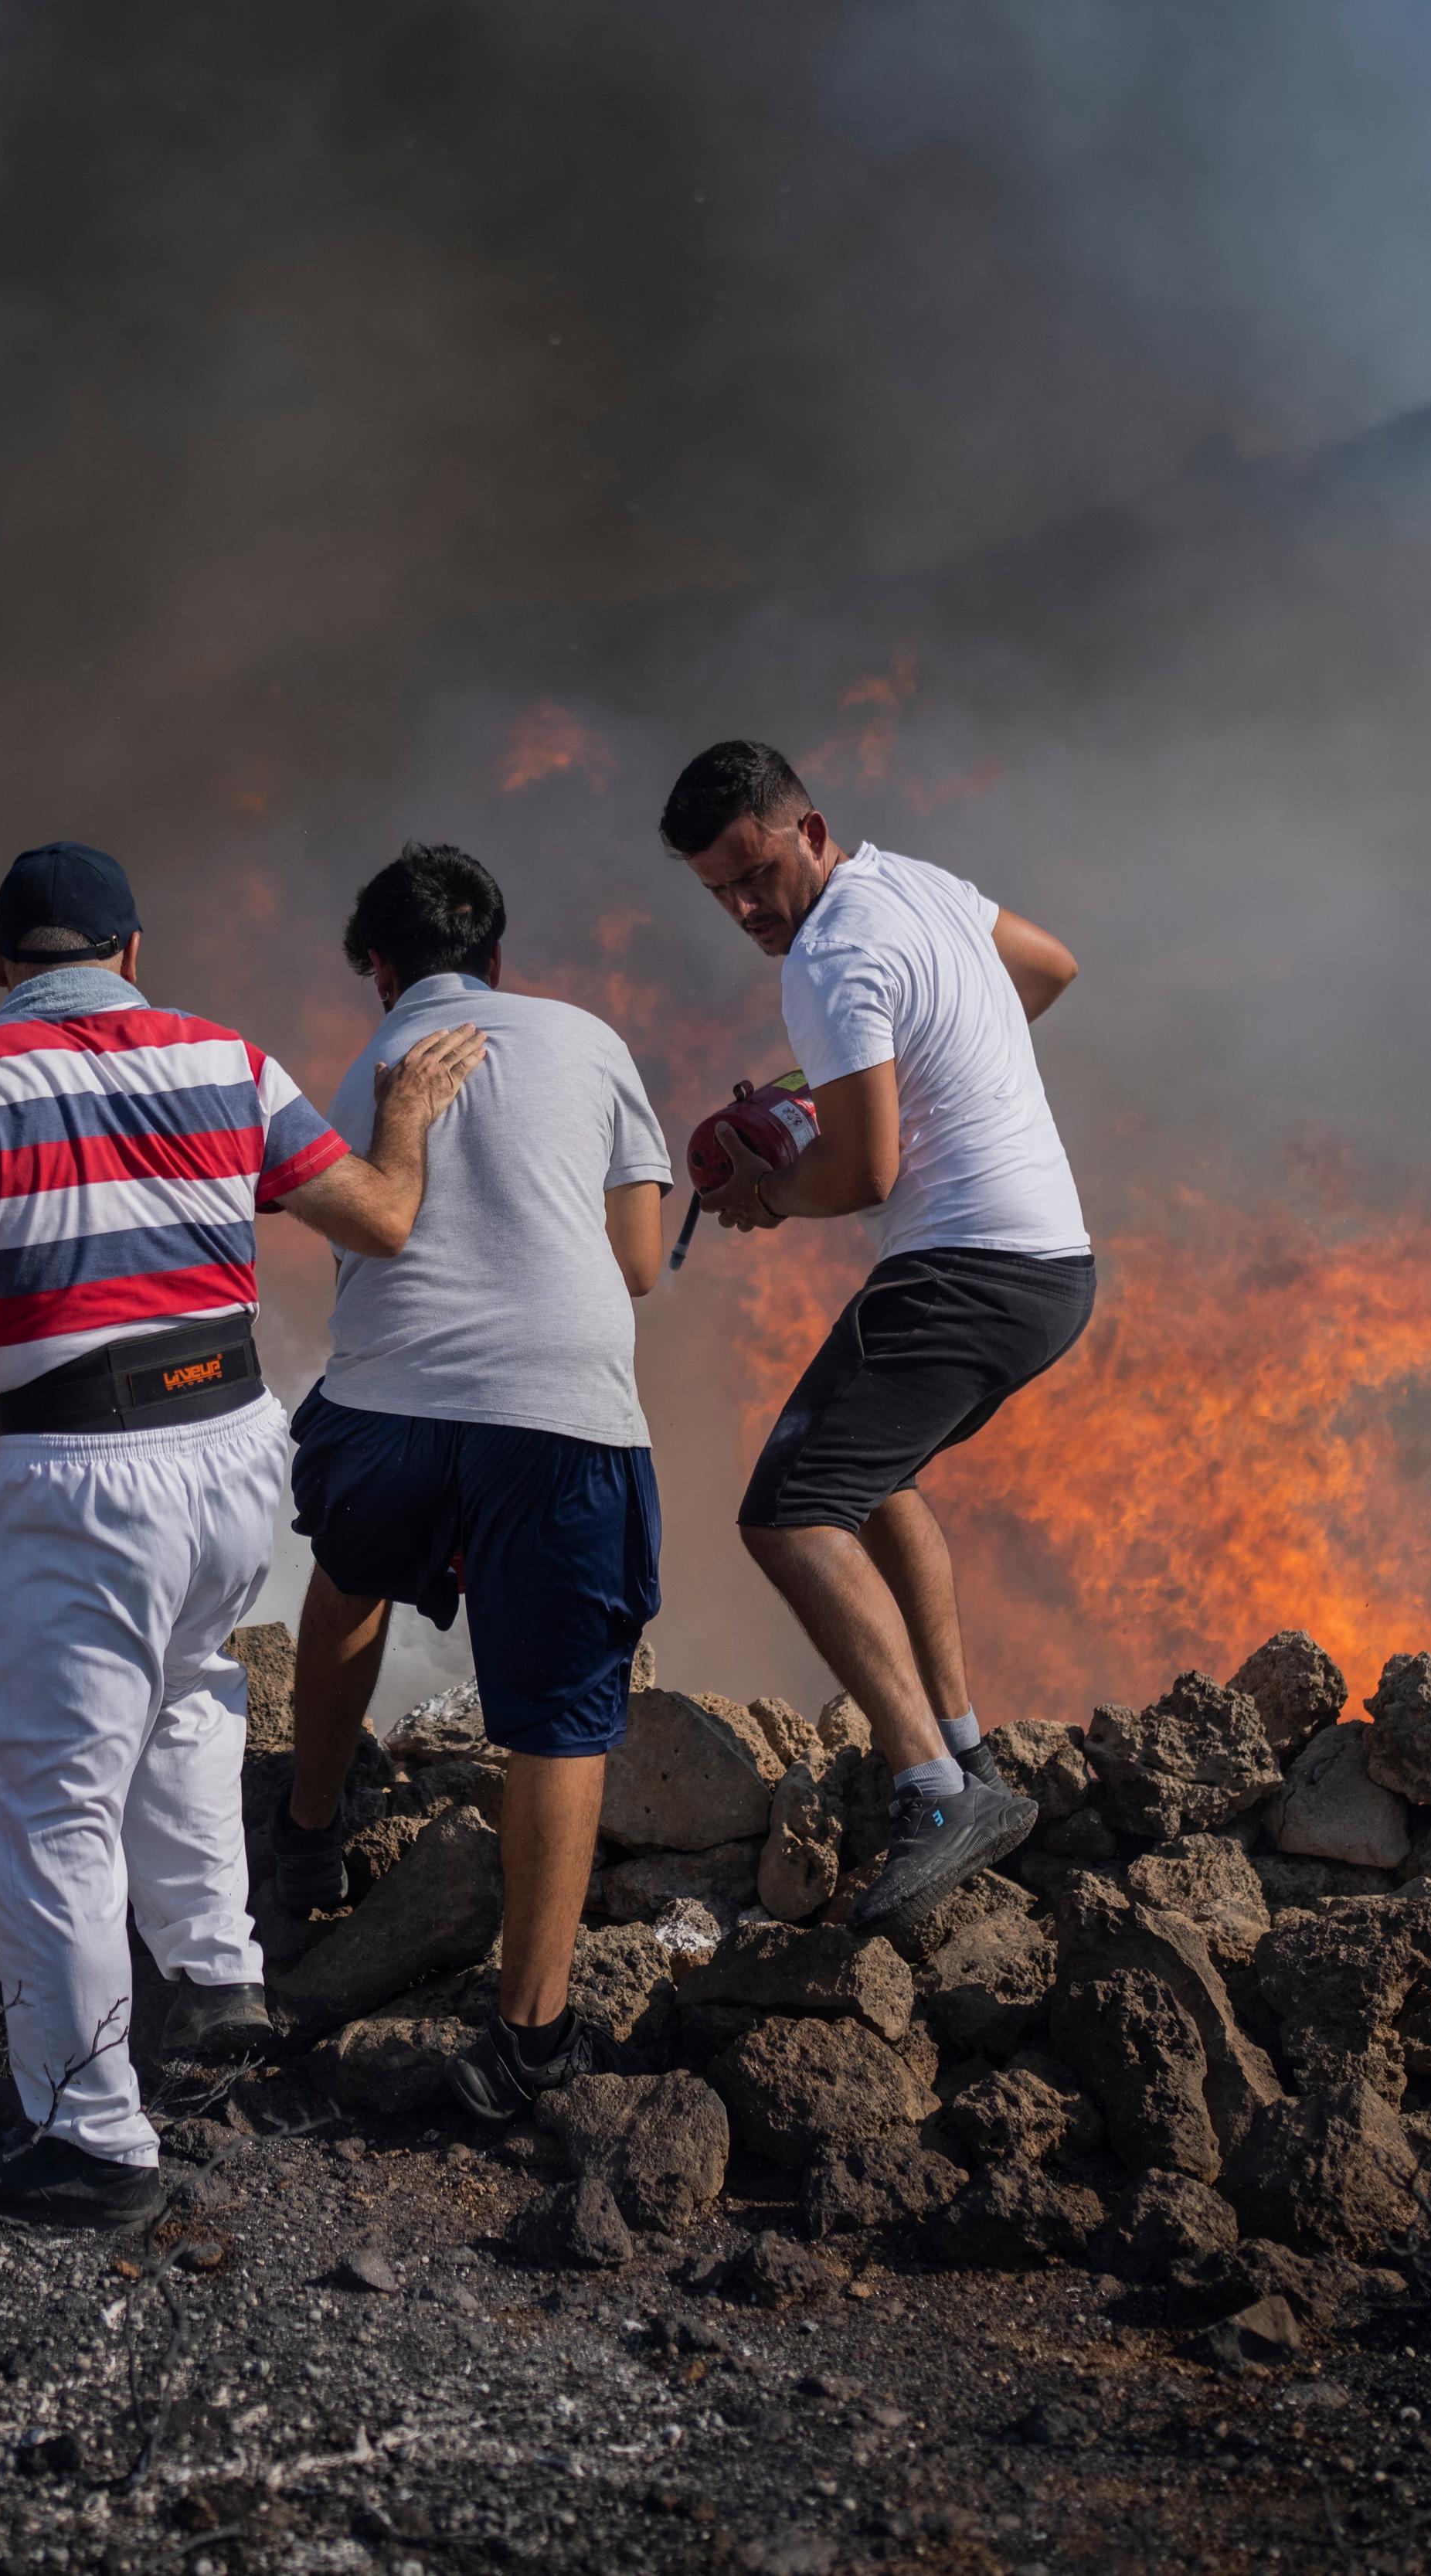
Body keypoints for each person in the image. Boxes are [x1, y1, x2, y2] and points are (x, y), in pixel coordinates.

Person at [0, 840, 486, 2229]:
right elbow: (382, 1212)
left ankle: (93, 2139)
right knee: (191, 1689)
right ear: (131, 952)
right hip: (242, 1446)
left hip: (78, 1471)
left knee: (40, 1795)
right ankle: (218, 1964)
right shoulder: (227, 1058)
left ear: (1, 963)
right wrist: (409, 1113)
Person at [659, 740, 1096, 1932]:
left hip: (968, 1264)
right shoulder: (915, 884)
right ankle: (967, 1755)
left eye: (755, 874)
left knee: (787, 1513)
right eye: (719, 892)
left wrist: (768, 1194)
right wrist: (931, 1067)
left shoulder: (832, 950)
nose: (748, 908)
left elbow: (866, 1166)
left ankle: (932, 1789)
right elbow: (1050, 969)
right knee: (870, 1476)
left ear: (808, 830)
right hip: (1053, 1262)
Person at [266, 845, 673, 2120]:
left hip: (384, 1412)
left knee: (349, 1577)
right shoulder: (588, 1037)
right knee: (556, 1711)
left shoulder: (364, 1065)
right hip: (561, 1419)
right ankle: (530, 2040)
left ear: (380, 972)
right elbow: (642, 1265)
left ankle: (311, 1828)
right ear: (499, 958)